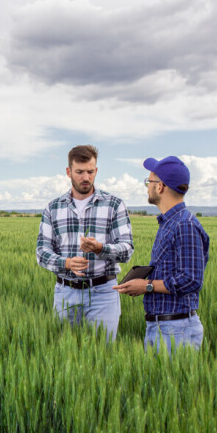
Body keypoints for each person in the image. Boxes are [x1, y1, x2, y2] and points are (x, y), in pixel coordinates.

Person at [36, 145, 134, 341]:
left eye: (90, 171)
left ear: (96, 170)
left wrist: (100, 248)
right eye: (79, 172)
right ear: (68, 172)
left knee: (103, 358)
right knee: (63, 355)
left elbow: (127, 250)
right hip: (65, 292)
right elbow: (41, 251)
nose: (86, 177)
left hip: (104, 293)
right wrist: (66, 263)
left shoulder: (114, 204)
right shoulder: (53, 207)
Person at [113, 156, 209, 354]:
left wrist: (146, 285)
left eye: (149, 181)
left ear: (161, 187)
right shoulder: (170, 223)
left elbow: (191, 280)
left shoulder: (184, 224)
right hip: (164, 327)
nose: (147, 186)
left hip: (176, 329)